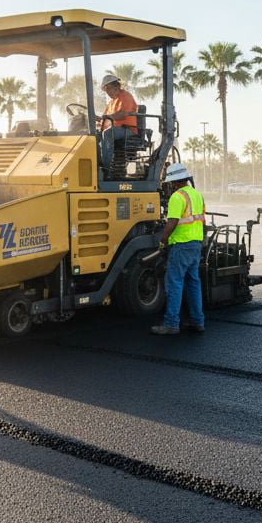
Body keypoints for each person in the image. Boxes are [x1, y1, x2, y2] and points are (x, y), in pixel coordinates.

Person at [151, 162, 206, 336]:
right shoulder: (197, 195)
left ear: (175, 182)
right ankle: (198, 322)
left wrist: (163, 241)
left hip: (181, 245)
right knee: (193, 283)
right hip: (195, 244)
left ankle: (171, 324)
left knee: (174, 283)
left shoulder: (177, 197)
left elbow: (172, 222)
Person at [98, 73, 139, 171]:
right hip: (116, 129)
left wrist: (107, 118)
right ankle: (96, 165)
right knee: (94, 135)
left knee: (107, 133)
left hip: (128, 129)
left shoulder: (126, 96)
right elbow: (105, 119)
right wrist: (97, 121)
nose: (107, 92)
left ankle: (105, 168)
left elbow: (122, 114)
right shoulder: (112, 103)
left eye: (108, 88)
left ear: (116, 86)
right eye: (105, 90)